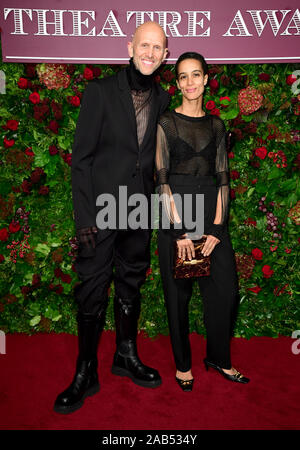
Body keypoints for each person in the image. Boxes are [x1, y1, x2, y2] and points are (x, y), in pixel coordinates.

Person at [54, 21, 170, 414]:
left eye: (158, 47)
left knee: (131, 283)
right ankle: (85, 370)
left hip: (139, 210)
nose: (150, 53)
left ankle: (125, 355)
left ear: (165, 55)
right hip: (101, 212)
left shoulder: (164, 99)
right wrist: (85, 217)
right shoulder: (100, 92)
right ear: (129, 47)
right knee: (91, 288)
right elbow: (81, 160)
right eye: (145, 45)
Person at [155, 52, 250, 391]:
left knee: (225, 291)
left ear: (207, 79)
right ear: (177, 82)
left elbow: (223, 179)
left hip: (211, 214)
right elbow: (162, 180)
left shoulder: (216, 125)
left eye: (196, 75)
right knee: (178, 296)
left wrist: (216, 230)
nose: (191, 82)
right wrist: (179, 232)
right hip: (177, 217)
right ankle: (183, 365)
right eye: (183, 76)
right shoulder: (166, 123)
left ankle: (219, 358)